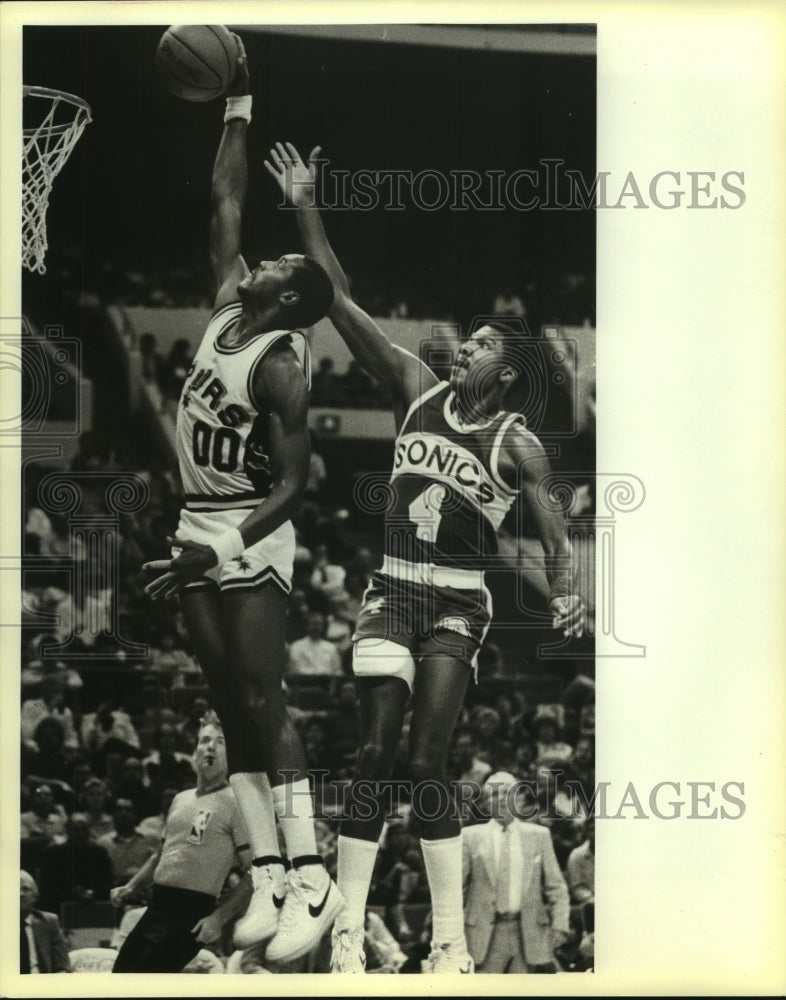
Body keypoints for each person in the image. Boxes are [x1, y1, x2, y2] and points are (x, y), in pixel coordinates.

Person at [265, 142, 585, 974]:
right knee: (374, 754)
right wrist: (306, 203)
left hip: (459, 603)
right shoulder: (415, 388)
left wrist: (568, 593)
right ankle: (346, 931)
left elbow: (555, 535)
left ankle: (448, 943)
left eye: (480, 345)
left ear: (506, 374)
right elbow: (337, 298)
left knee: (425, 761)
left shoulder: (521, 447)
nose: (465, 348)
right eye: (467, 342)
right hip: (393, 590)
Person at [140, 37, 341, 966]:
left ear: (290, 293)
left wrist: (218, 551)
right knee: (226, 699)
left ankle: (312, 872)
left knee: (265, 700)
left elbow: (299, 485)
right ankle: (263, 872)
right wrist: (239, 102)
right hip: (194, 520)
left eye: (270, 266)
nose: (252, 260)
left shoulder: (283, 365)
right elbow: (226, 198)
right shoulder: (227, 306)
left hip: (249, 531)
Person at [110, 711, 252, 972]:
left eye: (221, 742)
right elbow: (160, 855)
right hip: (156, 907)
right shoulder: (180, 798)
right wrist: (130, 887)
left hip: (191, 914)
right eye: (204, 740)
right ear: (194, 751)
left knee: (143, 983)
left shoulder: (236, 802)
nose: (210, 746)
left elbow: (256, 873)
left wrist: (218, 919)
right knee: (120, 977)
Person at [461, 772, 570, 973]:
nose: (501, 798)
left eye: (506, 792)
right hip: (483, 933)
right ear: (486, 803)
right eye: (493, 794)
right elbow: (457, 890)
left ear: (519, 798)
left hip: (527, 931)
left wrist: (560, 923)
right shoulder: (469, 837)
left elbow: (557, 886)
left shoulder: (539, 835)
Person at [19, 870, 71, 974]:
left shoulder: (49, 922)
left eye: (26, 889)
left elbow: (62, 964)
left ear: (35, 896)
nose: (20, 894)